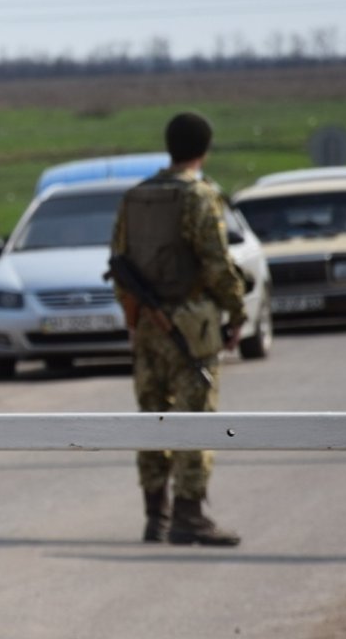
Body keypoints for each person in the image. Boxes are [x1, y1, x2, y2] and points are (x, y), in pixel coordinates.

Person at [110, 112, 247, 547]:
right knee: (195, 418)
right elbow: (216, 263)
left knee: (152, 417)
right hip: (192, 327)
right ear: (203, 150)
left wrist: (135, 318)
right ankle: (188, 514)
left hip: (149, 327)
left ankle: (156, 515)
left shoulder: (136, 197)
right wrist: (237, 311)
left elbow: (119, 261)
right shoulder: (200, 197)